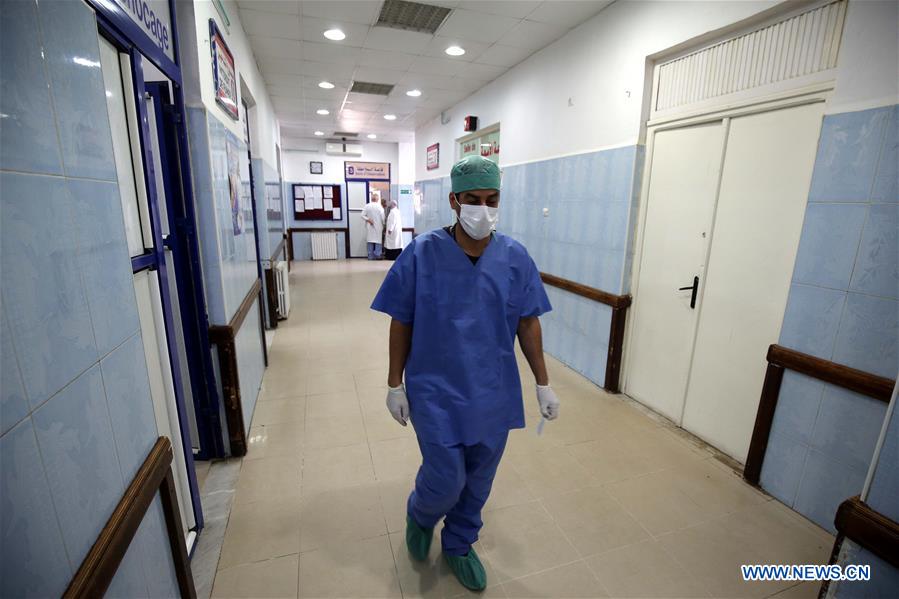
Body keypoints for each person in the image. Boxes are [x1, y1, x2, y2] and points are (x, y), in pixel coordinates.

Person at [370, 155, 560, 591]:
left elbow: (528, 321)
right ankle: (420, 514)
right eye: (473, 199)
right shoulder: (422, 253)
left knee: (478, 481)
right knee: (446, 477)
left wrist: (543, 383)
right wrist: (394, 383)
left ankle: (458, 543)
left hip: (493, 390)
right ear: (454, 201)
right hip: (435, 389)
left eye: (492, 200)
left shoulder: (514, 257)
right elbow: (402, 318)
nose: (483, 209)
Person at [361, 192, 385, 260]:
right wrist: (384, 224)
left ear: (371, 199)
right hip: (378, 227)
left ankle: (370, 256)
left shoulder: (367, 206)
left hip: (369, 226)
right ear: (377, 199)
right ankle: (377, 255)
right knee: (378, 241)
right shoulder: (380, 207)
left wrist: (368, 219)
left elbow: (362, 215)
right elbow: (383, 218)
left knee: (370, 241)